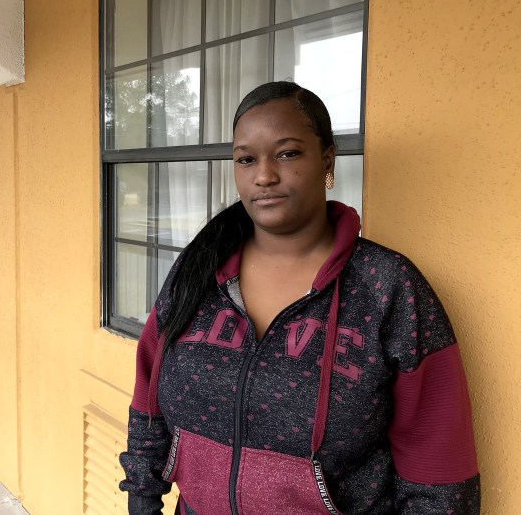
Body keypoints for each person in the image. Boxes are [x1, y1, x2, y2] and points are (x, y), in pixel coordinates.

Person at [119, 82, 480, 514]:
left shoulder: (388, 287)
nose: (264, 175)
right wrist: (142, 495)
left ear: (327, 158)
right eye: (246, 159)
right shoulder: (197, 272)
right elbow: (149, 394)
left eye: (287, 153)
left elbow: (437, 462)